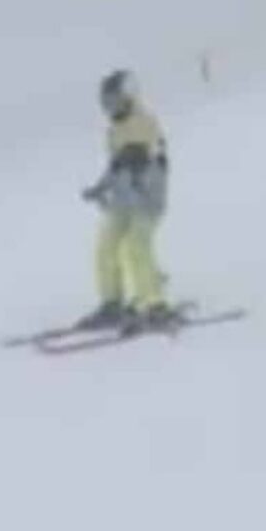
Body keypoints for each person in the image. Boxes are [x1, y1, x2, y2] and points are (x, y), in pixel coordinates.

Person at [76, 69, 175, 333]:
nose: (111, 108)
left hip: (146, 200)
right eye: (106, 103)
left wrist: (138, 167)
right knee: (106, 245)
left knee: (136, 245)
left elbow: (153, 159)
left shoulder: (144, 121)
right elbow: (116, 165)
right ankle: (112, 302)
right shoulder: (114, 130)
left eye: (115, 101)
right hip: (123, 201)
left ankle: (154, 304)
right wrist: (101, 188)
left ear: (128, 97)